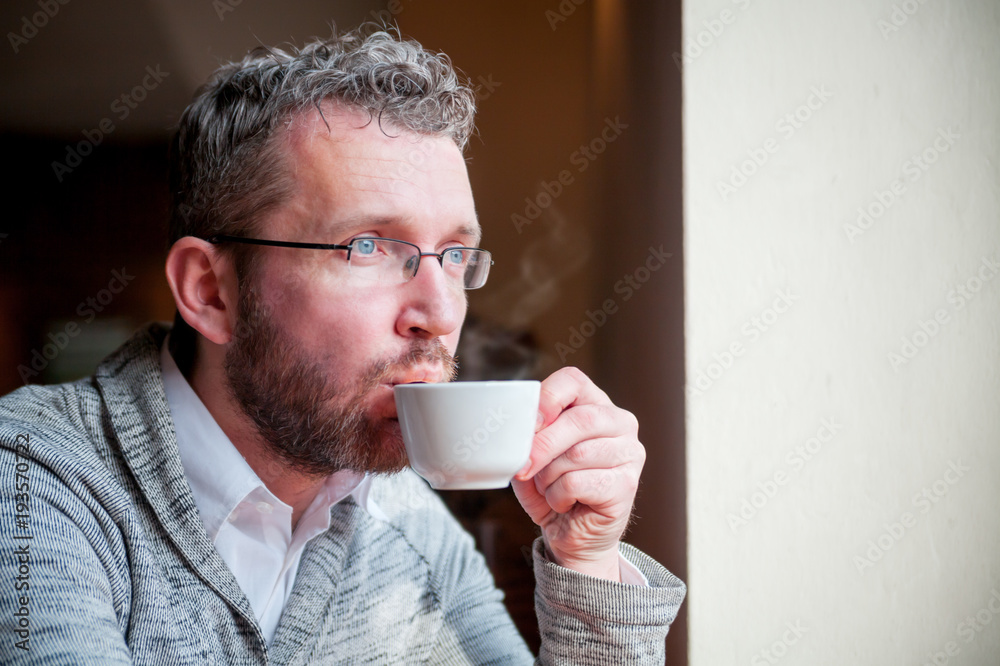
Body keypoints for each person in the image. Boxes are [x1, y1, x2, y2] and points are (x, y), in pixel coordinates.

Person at [0, 24, 685, 664]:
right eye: (367, 247)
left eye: (455, 255)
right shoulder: (33, 481)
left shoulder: (407, 517)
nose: (441, 313)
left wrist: (588, 562)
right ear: (211, 291)